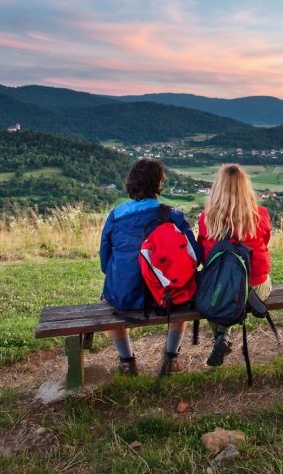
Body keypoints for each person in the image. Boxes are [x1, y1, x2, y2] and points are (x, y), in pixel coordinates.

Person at [99, 158, 200, 376]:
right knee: (181, 290)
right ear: (158, 184)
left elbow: (105, 260)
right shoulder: (173, 216)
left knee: (108, 295)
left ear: (131, 182)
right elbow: (195, 256)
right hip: (165, 296)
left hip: (124, 295)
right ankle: (171, 358)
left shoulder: (115, 215)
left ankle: (127, 362)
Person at [196, 163, 272, 367]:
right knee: (252, 282)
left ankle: (222, 336)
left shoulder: (206, 219)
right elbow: (264, 243)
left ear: (218, 188)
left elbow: (205, 258)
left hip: (220, 290)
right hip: (255, 290)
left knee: (219, 292)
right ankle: (222, 337)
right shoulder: (260, 215)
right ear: (245, 188)